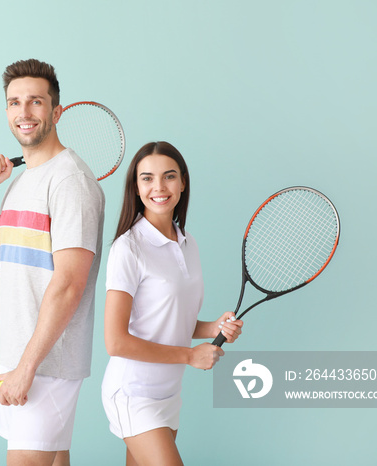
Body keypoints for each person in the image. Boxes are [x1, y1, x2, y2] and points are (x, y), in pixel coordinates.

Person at [0, 59, 105, 466]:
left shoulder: (70, 182)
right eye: (14, 103)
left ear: (56, 111)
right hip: (20, 358)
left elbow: (69, 285)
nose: (23, 113)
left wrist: (27, 366)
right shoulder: (22, 181)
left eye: (35, 102)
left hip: (47, 363)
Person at [100, 141, 243, 466]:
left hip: (168, 392)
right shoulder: (128, 248)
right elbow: (115, 341)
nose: (159, 187)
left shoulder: (187, 243)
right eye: (147, 178)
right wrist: (190, 355)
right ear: (136, 188)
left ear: (182, 183)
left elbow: (170, 319)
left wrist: (214, 327)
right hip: (133, 391)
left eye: (168, 176)